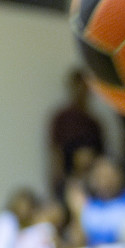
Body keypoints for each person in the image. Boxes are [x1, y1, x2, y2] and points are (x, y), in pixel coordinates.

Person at [48, 69, 104, 198]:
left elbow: (101, 155)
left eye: (85, 88)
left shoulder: (94, 123)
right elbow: (57, 153)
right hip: (69, 181)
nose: (81, 92)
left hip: (93, 183)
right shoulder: (62, 119)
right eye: (78, 87)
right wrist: (59, 181)